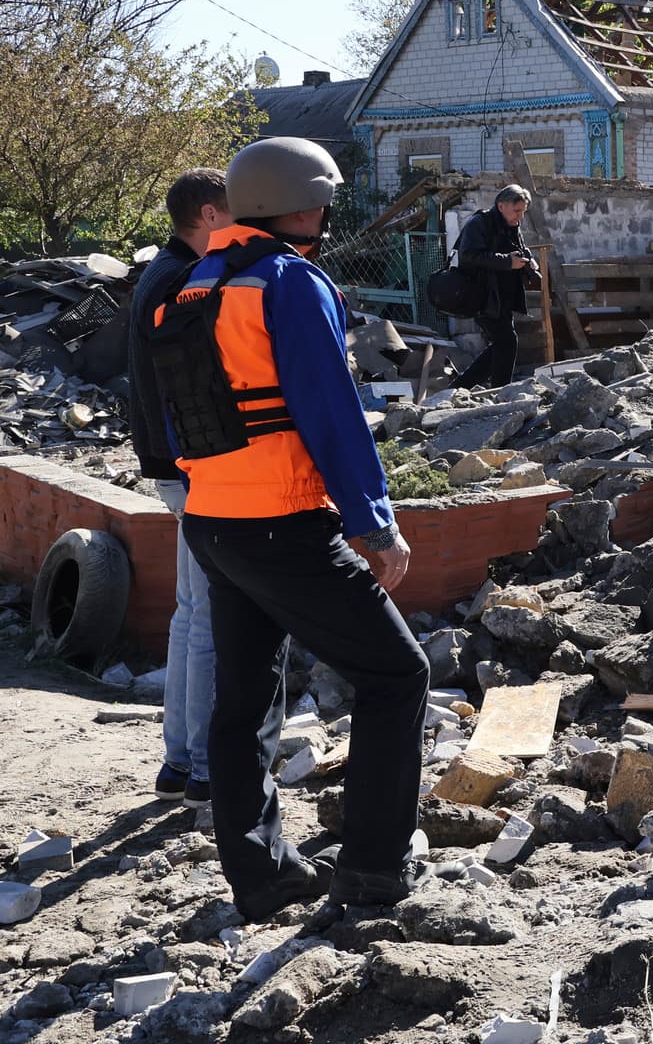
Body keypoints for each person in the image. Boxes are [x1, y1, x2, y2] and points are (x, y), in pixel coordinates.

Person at [158, 136, 428, 920]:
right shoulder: (288, 281)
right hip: (282, 524)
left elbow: (187, 411)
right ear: (301, 204)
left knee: (243, 701)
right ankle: (373, 873)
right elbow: (331, 412)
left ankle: (264, 875)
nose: (330, 210)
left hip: (212, 520)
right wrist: (375, 525)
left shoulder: (194, 284)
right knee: (397, 676)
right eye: (325, 197)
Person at [128, 168, 233, 809]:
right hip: (191, 466)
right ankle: (200, 767)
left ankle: (177, 763)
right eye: (234, 209)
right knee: (209, 622)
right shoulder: (184, 280)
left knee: (191, 614)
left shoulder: (160, 273)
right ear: (208, 214)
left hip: (172, 463)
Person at [452, 186, 535, 390]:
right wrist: (507, 262)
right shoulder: (479, 224)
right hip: (481, 295)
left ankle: (460, 387)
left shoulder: (511, 225)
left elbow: (518, 250)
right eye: (517, 211)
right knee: (508, 342)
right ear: (501, 206)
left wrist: (529, 261)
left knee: (502, 344)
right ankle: (501, 392)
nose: (520, 217)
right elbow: (469, 255)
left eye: (523, 211)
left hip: (502, 296)